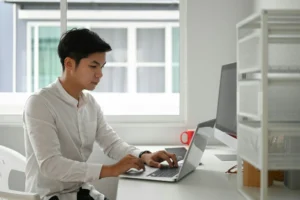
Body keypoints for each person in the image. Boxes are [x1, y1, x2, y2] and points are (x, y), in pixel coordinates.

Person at [23, 28, 178, 200]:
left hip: (82, 192)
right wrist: (110, 170)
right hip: (50, 197)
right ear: (69, 64)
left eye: (102, 66)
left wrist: (144, 156)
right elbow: (51, 165)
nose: (100, 74)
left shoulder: (90, 104)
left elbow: (111, 143)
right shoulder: (39, 103)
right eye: (93, 66)